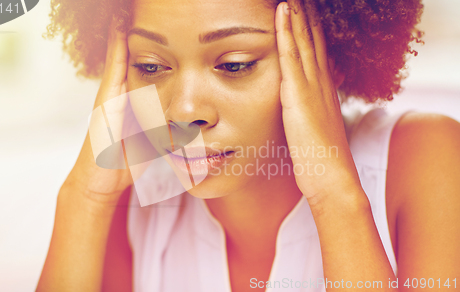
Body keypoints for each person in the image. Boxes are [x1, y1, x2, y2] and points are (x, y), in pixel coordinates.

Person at [36, 0, 460, 291]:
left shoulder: (425, 160)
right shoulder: (129, 199)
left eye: (234, 64)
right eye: (151, 66)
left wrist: (334, 195)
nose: (183, 111)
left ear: (328, 56)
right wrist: (84, 199)